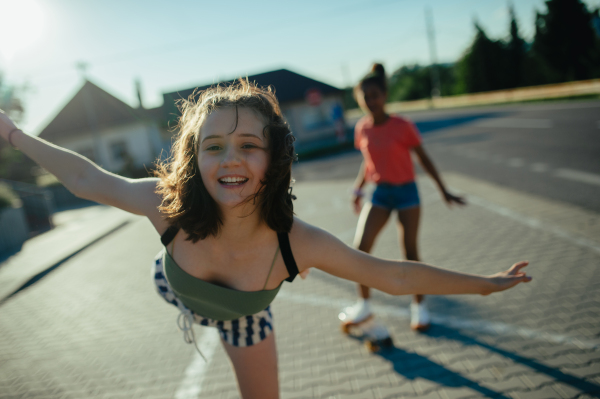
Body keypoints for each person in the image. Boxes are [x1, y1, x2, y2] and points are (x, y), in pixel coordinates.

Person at [0, 80, 530, 399]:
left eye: (248, 144)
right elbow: (88, 180)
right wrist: (11, 134)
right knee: (167, 278)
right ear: (193, 157)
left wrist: (484, 284)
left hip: (242, 315)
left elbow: (392, 274)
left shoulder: (296, 243)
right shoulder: (169, 205)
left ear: (274, 158)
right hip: (174, 283)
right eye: (213, 146)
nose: (230, 158)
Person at [343, 64, 466, 334]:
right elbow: (368, 163)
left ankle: (419, 307)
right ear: (359, 99)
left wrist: (443, 189)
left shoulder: (402, 125)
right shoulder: (362, 128)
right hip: (380, 193)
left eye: (375, 94)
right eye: (365, 96)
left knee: (409, 253)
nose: (370, 100)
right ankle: (363, 304)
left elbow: (423, 158)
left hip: (407, 192)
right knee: (359, 249)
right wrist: (357, 190)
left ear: (385, 95)